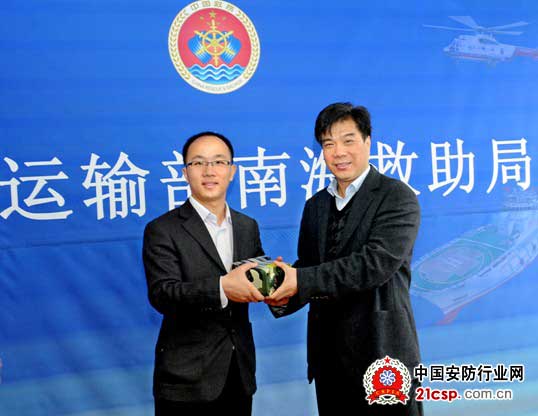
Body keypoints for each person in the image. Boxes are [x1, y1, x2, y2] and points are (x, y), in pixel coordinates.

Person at [266, 103, 423, 415]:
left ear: (367, 142)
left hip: (383, 357)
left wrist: (298, 279)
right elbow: (309, 268)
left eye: (348, 140)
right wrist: (277, 289)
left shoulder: (396, 196)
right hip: (329, 361)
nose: (338, 152)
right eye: (328, 144)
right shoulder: (315, 206)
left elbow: (373, 265)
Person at [143, 131, 265, 416]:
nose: (209, 171)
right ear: (185, 173)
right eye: (198, 163)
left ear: (232, 171)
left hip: (238, 373)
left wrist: (277, 281)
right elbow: (163, 294)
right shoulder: (163, 229)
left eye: (219, 162)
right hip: (186, 380)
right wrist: (222, 287)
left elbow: (254, 280)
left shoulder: (247, 226)